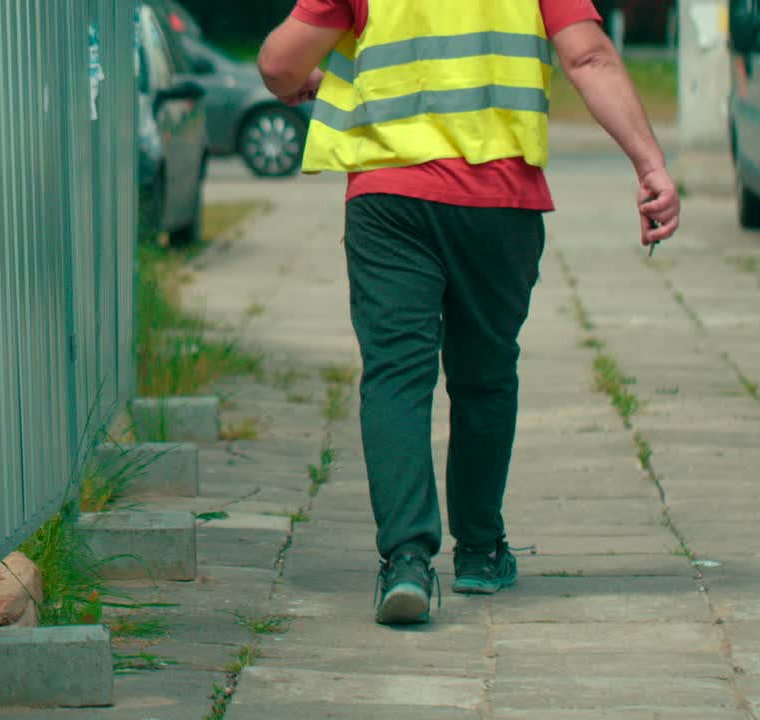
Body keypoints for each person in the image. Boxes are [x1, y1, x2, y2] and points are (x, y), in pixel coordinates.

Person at [257, 0, 680, 625]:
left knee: (396, 374)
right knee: (485, 375)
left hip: (390, 197)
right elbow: (588, 56)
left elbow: (276, 63)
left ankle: (405, 560)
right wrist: (650, 164)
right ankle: (480, 552)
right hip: (500, 200)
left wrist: (306, 84)